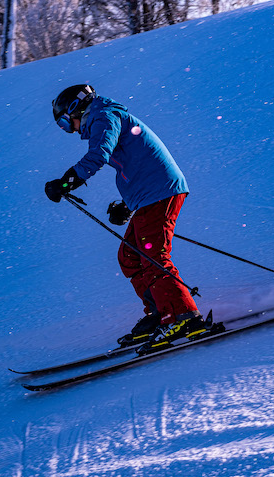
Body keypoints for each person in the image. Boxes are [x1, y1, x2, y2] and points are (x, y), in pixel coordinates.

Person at [45, 84, 204, 353]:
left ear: (75, 109)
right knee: (130, 256)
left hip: (160, 192)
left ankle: (183, 317)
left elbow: (99, 155)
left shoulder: (104, 116)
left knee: (153, 256)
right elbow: (136, 162)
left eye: (64, 123)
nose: (68, 130)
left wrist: (66, 183)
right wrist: (127, 205)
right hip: (150, 194)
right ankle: (160, 312)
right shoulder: (104, 117)